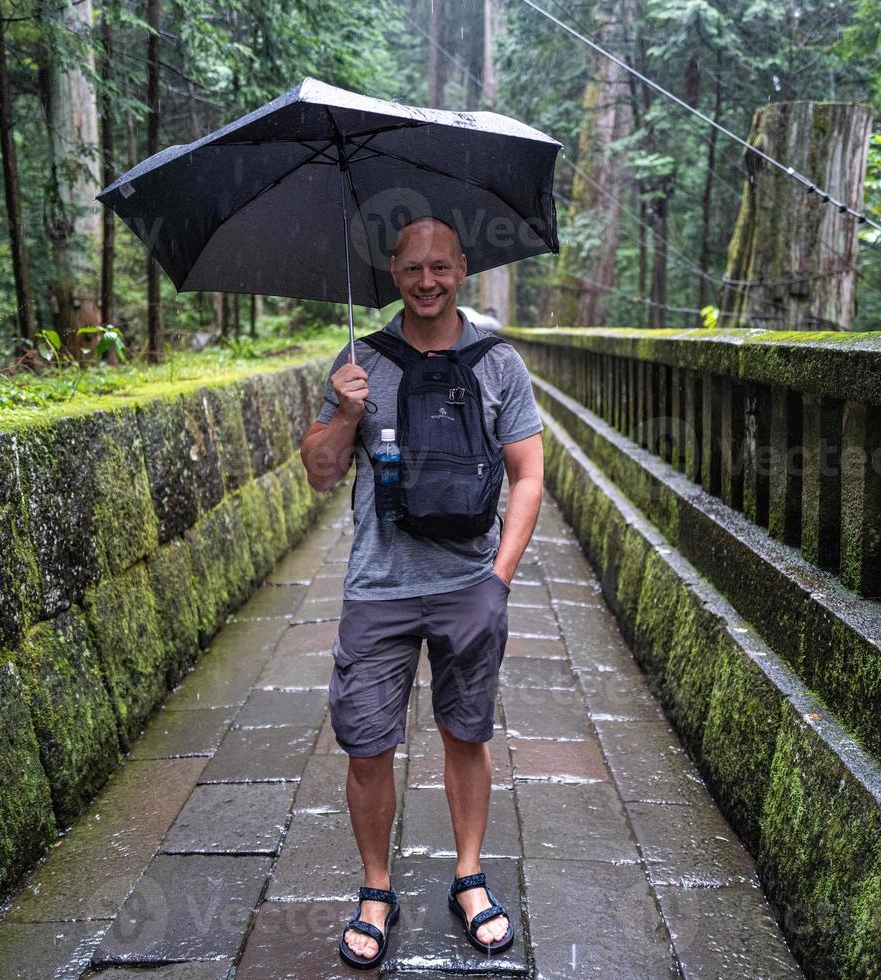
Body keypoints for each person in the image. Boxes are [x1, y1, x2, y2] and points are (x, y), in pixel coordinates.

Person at [299, 215, 544, 967]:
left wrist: (497, 581)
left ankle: (467, 875)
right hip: (379, 587)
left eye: (441, 267)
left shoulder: (498, 362)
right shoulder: (359, 360)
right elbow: (317, 472)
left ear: (461, 267)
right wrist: (345, 410)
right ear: (394, 272)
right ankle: (376, 888)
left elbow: (528, 475)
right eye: (413, 269)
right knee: (367, 744)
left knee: (466, 735)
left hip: (469, 583)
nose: (428, 281)